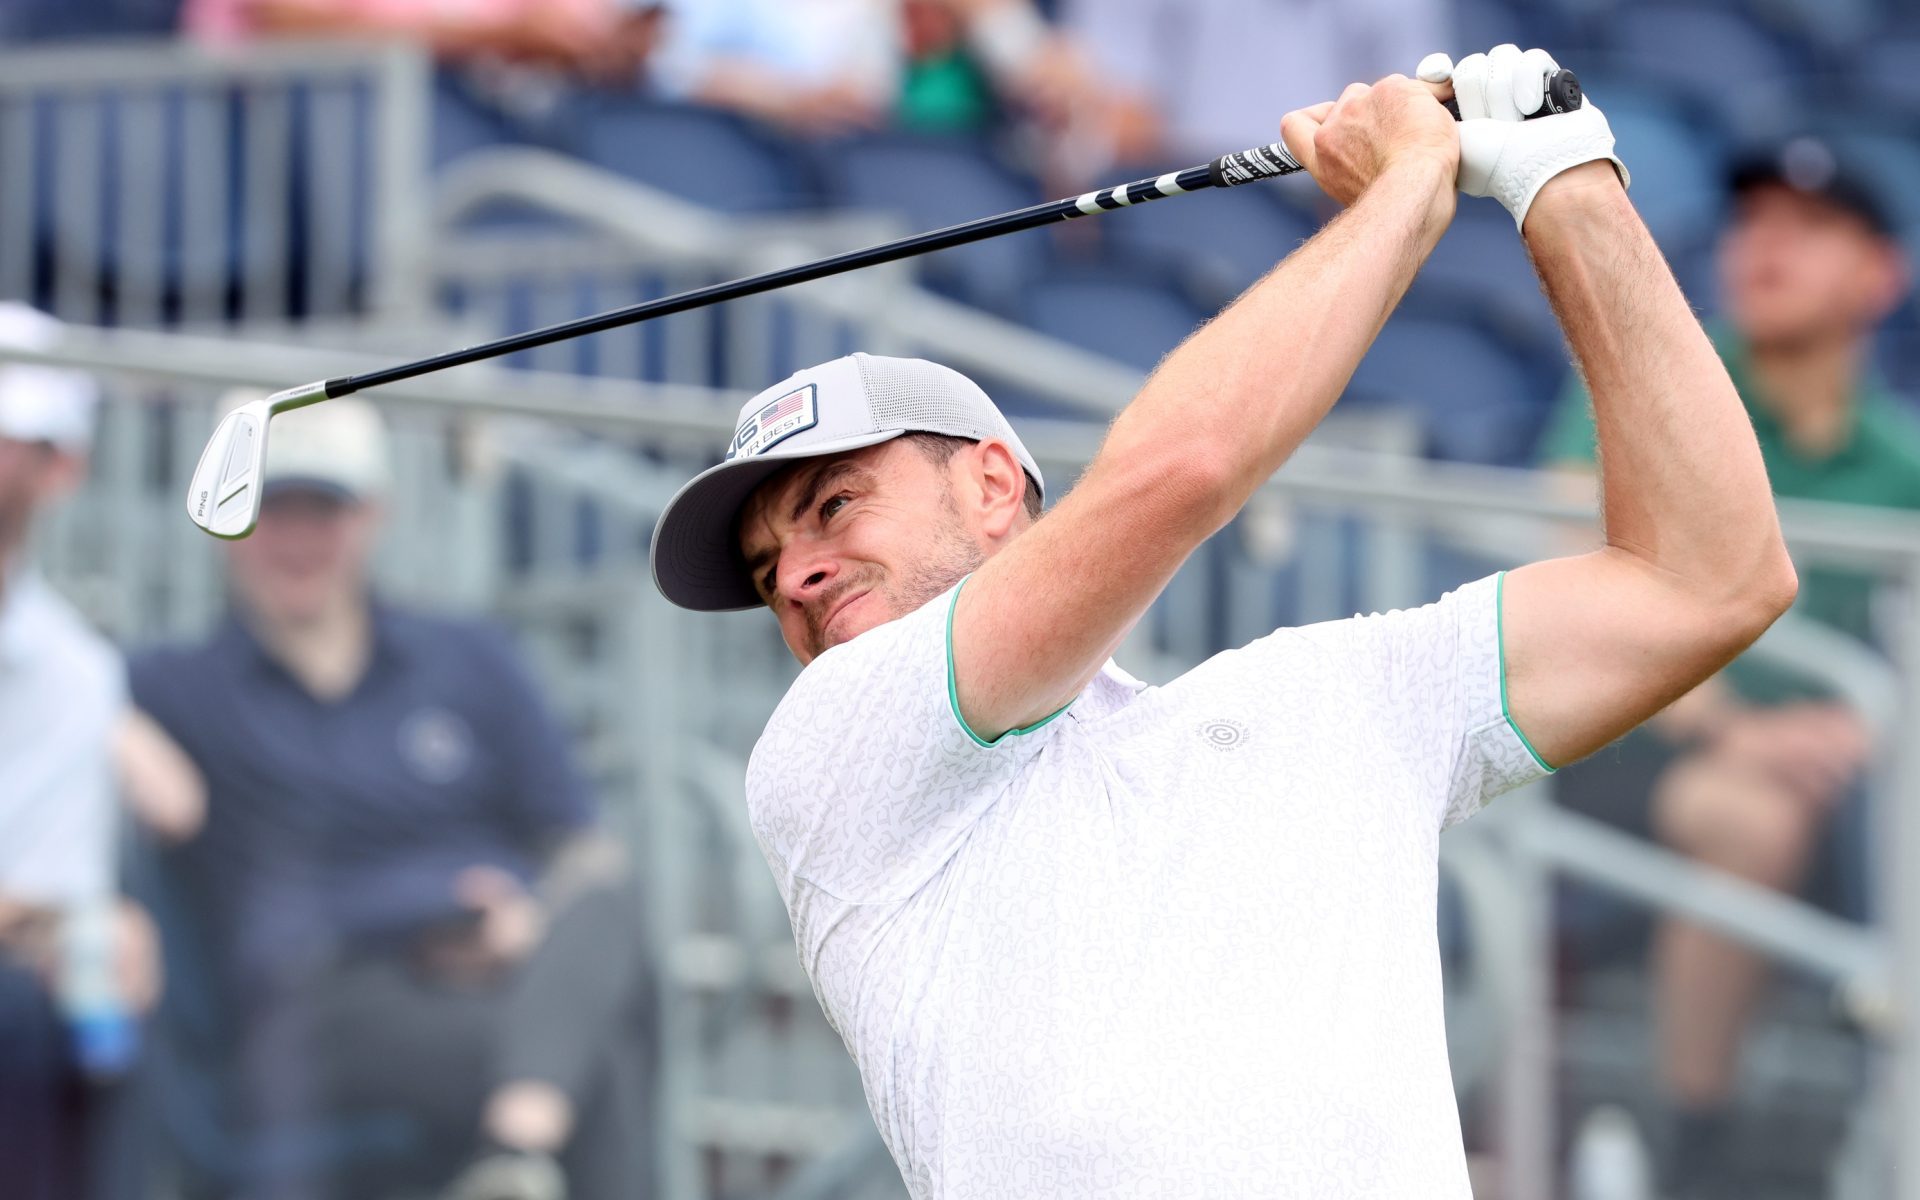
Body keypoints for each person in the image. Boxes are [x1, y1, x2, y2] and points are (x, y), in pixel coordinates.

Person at [642, 43, 1797, 1197]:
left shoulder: (1330, 698)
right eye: (763, 568)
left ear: (993, 487)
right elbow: (1187, 467)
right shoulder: (828, 746)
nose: (794, 574)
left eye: (833, 507)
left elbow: (1709, 579)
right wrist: (1406, 187)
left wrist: (1564, 180)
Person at [129, 395, 652, 1200]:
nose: (296, 539)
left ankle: (515, 1147)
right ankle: (518, 1146)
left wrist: (524, 923)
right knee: (596, 1056)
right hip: (318, 1000)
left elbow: (580, 848)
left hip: (495, 966)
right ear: (224, 524)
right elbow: (49, 686)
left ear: (372, 515)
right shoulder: (173, 687)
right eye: (270, 510)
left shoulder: (470, 657)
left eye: (323, 509)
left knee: (606, 906)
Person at [1538, 135, 1916, 1194]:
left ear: (1879, 276)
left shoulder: (1901, 458)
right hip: (1617, 739)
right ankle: (1695, 1142)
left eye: (1808, 231)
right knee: (1748, 808)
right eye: (1752, 225)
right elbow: (1571, 550)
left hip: (1825, 770)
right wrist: (1734, 726)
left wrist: (1873, 727)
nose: (1766, 249)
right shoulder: (1661, 366)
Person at [0, 302, 170, 1200]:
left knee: (91, 1012)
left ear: (58, 468)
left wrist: (86, 925)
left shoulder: (72, 665)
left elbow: (50, 895)